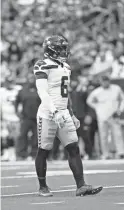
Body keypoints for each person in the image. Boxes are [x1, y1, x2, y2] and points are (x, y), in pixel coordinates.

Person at [33, 35, 103, 197]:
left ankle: (81, 186)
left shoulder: (66, 66)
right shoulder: (42, 65)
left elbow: (65, 94)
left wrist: (71, 113)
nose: (64, 51)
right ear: (51, 50)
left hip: (63, 113)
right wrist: (54, 111)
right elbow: (42, 92)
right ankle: (42, 187)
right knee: (44, 150)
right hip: (47, 113)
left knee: (73, 148)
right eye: (61, 48)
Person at [87, 75, 124, 159]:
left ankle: (121, 152)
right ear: (100, 82)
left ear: (109, 81)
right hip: (102, 115)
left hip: (113, 114)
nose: (105, 82)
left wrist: (120, 110)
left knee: (117, 134)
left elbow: (122, 99)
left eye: (106, 81)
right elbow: (89, 101)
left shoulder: (116, 88)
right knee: (103, 136)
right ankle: (106, 154)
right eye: (103, 81)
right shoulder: (97, 91)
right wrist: (97, 108)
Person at [15, 74, 40, 160]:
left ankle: (34, 153)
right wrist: (17, 112)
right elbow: (16, 102)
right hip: (25, 117)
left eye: (33, 78)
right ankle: (22, 154)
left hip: (37, 117)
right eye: (29, 78)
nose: (31, 80)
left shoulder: (39, 90)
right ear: (27, 79)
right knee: (23, 135)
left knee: (36, 136)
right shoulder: (22, 91)